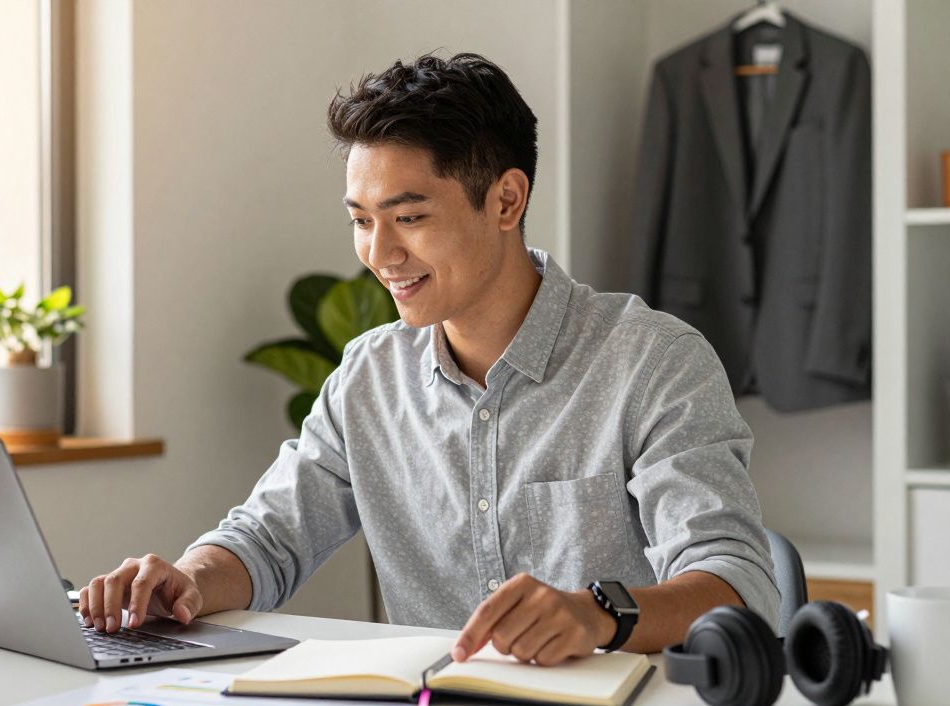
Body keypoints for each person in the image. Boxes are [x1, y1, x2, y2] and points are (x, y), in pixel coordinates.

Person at [79, 52, 779, 667]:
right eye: (361, 220)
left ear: (506, 200)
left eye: (409, 218)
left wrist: (599, 613)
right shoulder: (369, 376)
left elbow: (738, 585)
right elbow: (268, 538)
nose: (379, 254)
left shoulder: (653, 362)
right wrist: (189, 579)